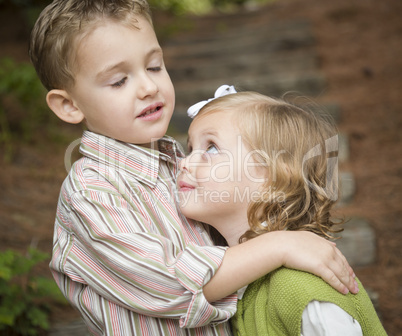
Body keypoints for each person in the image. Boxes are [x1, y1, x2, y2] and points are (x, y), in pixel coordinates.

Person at [29, 1, 358, 334]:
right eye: (118, 81)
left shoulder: (178, 164)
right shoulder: (92, 192)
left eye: (154, 66)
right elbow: (164, 282)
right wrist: (280, 246)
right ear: (69, 105)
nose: (148, 87)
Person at [177, 86, 387, 335]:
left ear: (274, 177)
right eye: (190, 149)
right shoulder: (240, 280)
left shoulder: (299, 287)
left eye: (211, 148)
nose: (185, 162)